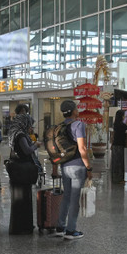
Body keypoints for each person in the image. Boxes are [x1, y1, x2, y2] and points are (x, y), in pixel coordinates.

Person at [56, 100, 92, 240]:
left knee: (66, 196)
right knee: (74, 198)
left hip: (64, 166)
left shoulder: (59, 127)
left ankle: (60, 226)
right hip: (77, 166)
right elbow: (82, 148)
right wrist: (89, 167)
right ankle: (71, 230)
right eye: (76, 108)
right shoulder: (79, 125)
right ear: (74, 111)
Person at [7, 114, 41, 234]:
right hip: (22, 171)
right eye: (30, 125)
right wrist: (35, 145)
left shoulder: (16, 133)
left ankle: (22, 226)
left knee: (20, 200)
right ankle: (23, 227)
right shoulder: (20, 135)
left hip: (18, 171)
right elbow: (26, 150)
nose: (31, 127)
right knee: (22, 200)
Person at [110, 109, 127, 184]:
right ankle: (120, 179)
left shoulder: (115, 124)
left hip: (115, 144)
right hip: (120, 145)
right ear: (121, 116)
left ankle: (114, 178)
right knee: (120, 162)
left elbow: (113, 135)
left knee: (115, 162)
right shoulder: (122, 125)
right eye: (124, 115)